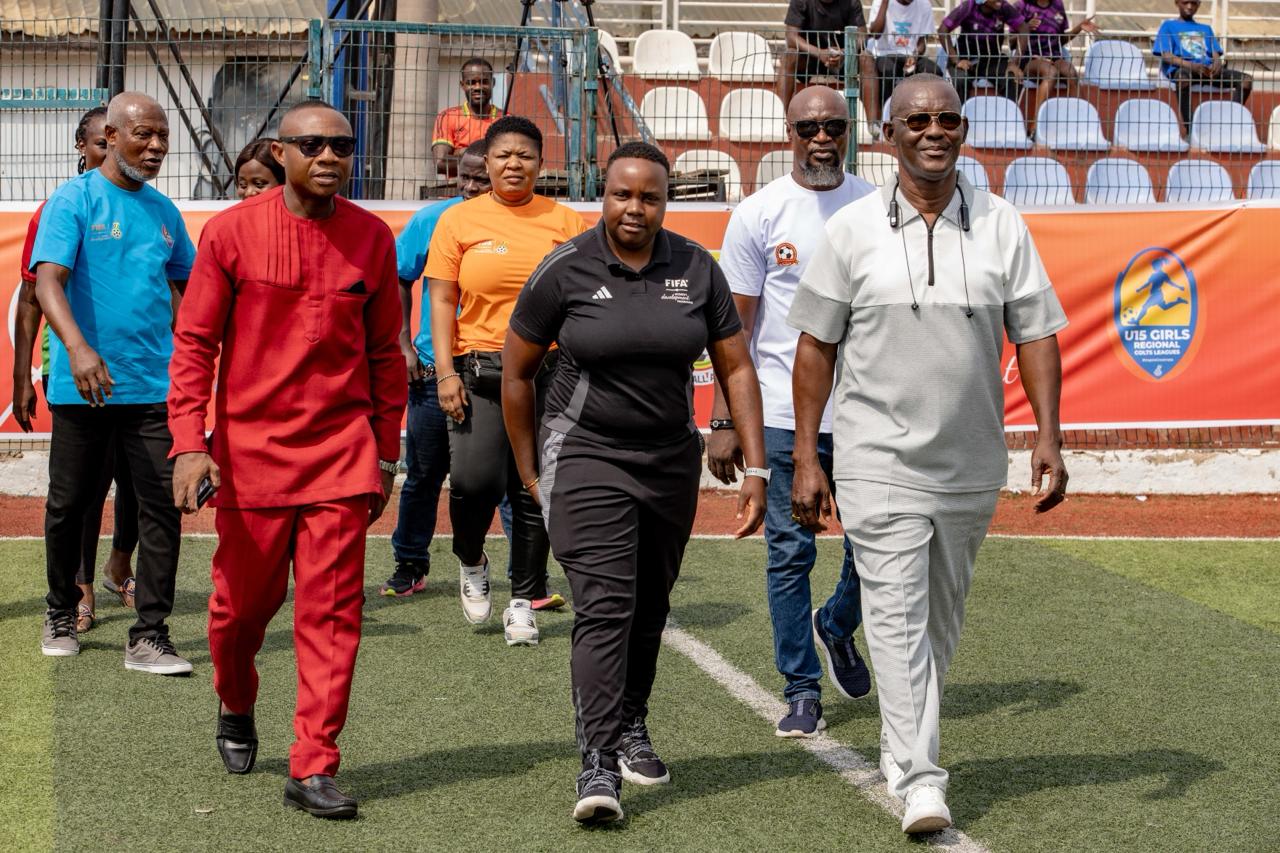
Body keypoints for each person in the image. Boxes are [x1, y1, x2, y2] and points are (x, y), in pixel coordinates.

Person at [788, 74, 1068, 834]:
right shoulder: (850, 229)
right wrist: (809, 459)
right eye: (917, 120)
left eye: (947, 119)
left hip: (973, 463)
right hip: (876, 457)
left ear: (965, 130)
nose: (933, 131)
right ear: (888, 132)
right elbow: (814, 348)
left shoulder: (1003, 223)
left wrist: (1047, 432)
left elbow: (1036, 332)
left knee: (937, 623)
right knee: (897, 615)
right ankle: (920, 777)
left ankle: (901, 744)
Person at [503, 142, 767, 824]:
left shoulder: (695, 267)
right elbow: (516, 373)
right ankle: (596, 763)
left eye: (650, 197)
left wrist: (756, 462)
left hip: (668, 459)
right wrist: (530, 466)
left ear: (665, 202)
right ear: (604, 195)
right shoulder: (565, 268)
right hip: (585, 453)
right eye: (623, 194)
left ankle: (630, 724)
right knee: (605, 603)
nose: (635, 208)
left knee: (650, 602)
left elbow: (736, 366)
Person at [168, 99, 406, 818]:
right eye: (312, 145)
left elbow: (386, 357)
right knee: (238, 613)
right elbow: (194, 345)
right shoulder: (231, 233)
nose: (330, 157)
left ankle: (314, 764)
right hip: (249, 458)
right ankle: (235, 698)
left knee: (333, 615)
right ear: (280, 151)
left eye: (342, 145)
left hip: (341, 456)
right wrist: (188, 443)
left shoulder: (372, 239)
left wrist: (387, 455)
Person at [710, 86, 875, 739]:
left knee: (879, 542)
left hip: (867, 410)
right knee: (788, 551)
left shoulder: (877, 206)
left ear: (848, 129)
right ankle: (802, 688)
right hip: (779, 411)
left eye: (834, 125)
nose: (822, 137)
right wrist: (725, 421)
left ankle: (836, 623)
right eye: (809, 127)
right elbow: (732, 331)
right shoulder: (759, 212)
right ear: (790, 131)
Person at [31, 92, 195, 673]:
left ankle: (150, 632)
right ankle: (60, 607)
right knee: (69, 507)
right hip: (85, 390)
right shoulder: (72, 201)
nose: (154, 148)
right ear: (113, 135)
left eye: (162, 137)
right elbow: (47, 282)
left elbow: (189, 295)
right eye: (142, 136)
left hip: (154, 389)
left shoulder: (165, 212)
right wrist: (76, 349)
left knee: (161, 510)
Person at [425, 115, 586, 645]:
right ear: (486, 162)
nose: (514, 164)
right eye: (503, 155)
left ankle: (523, 601)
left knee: (534, 489)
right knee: (473, 484)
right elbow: (443, 300)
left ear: (542, 163)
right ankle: (471, 559)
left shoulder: (567, 222)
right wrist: (445, 371)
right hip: (480, 372)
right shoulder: (458, 221)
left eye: (525, 155)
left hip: (552, 374)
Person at [13, 106, 140, 634]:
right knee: (86, 487)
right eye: (96, 147)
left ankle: (118, 567)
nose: (105, 157)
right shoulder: (61, 207)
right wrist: (24, 375)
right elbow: (31, 295)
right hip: (78, 372)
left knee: (138, 483)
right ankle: (80, 589)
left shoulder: (147, 206)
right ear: (82, 146)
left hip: (138, 373)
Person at [380, 139, 491, 597]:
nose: (467, 185)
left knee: (504, 479)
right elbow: (397, 280)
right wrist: (405, 344)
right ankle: (409, 563)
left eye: (479, 178)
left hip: (496, 371)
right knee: (424, 473)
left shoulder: (523, 224)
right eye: (463, 175)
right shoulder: (431, 219)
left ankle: (526, 578)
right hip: (431, 371)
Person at [1154, 0, 1252, 129]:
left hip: (1206, 70)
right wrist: (1191, 66)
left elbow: (1215, 53)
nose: (1189, 6)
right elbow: (1166, 55)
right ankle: (1190, 129)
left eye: (1193, 3)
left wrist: (1217, 64)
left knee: (1246, 81)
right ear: (1177, 3)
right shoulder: (1168, 26)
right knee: (1183, 79)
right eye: (1185, 3)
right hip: (1184, 69)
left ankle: (1230, 121)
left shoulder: (1205, 28)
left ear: (1199, 5)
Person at [1012, 0, 1097, 124]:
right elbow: (1011, 42)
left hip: (1054, 57)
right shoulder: (1021, 5)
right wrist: (1026, 28)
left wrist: (1078, 28)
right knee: (1051, 72)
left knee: (1071, 72)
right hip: (1029, 59)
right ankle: (1035, 126)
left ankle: (1078, 123)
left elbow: (1059, 40)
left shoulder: (1057, 5)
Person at [863, 0, 940, 133]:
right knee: (888, 70)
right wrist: (884, 3)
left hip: (910, 55)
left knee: (933, 71)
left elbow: (922, 43)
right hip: (885, 54)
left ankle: (926, 119)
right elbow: (875, 33)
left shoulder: (924, 5)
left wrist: (915, 56)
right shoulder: (880, 2)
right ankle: (886, 119)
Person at [780, 0, 867, 116]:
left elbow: (862, 36)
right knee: (788, 56)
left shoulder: (851, 2)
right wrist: (819, 53)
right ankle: (780, 117)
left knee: (867, 59)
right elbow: (791, 36)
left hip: (842, 56)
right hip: (809, 56)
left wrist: (844, 52)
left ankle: (873, 125)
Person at [939, 0, 1023, 103]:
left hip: (992, 60)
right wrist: (956, 60)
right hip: (965, 58)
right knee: (960, 80)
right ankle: (960, 116)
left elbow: (1024, 28)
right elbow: (943, 29)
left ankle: (1009, 116)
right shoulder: (969, 6)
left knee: (1012, 78)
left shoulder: (1003, 6)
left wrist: (1014, 63)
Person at [432, 58, 501, 176]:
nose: (478, 87)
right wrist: (489, 159)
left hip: (493, 193)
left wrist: (462, 152)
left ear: (492, 83)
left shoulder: (506, 119)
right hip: (457, 192)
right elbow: (441, 164)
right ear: (462, 85)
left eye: (484, 82)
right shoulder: (448, 117)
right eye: (472, 82)